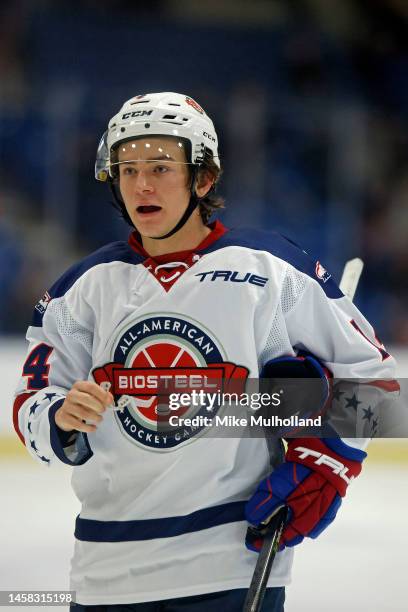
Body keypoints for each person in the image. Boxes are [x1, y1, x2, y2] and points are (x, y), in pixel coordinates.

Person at [13, 92, 396, 611]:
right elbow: (31, 401)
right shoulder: (81, 288)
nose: (141, 184)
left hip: (229, 566)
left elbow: (374, 380)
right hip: (104, 572)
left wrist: (326, 461)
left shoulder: (269, 270)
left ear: (204, 178)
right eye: (127, 169)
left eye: (160, 167)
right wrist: (58, 417)